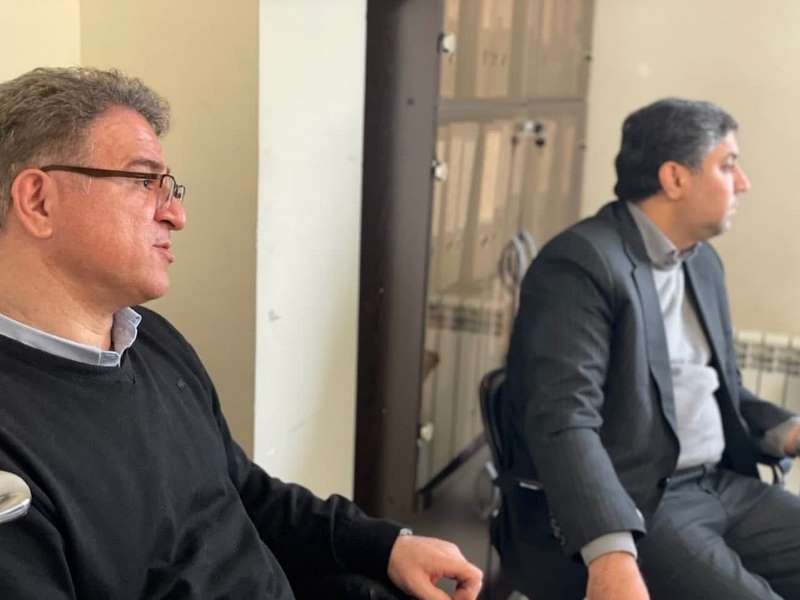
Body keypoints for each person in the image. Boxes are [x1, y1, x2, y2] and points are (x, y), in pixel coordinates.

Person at [0, 67, 482, 600]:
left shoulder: (151, 339)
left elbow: (243, 492)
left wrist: (383, 545)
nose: (176, 214)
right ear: (39, 201)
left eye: (169, 187)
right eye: (143, 181)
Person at [497, 98, 800, 599]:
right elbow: (564, 419)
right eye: (728, 165)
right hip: (642, 501)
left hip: (722, 485)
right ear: (675, 178)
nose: (743, 183)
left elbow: (723, 390)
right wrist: (609, 551)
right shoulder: (580, 264)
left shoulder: (703, 264)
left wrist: (788, 432)